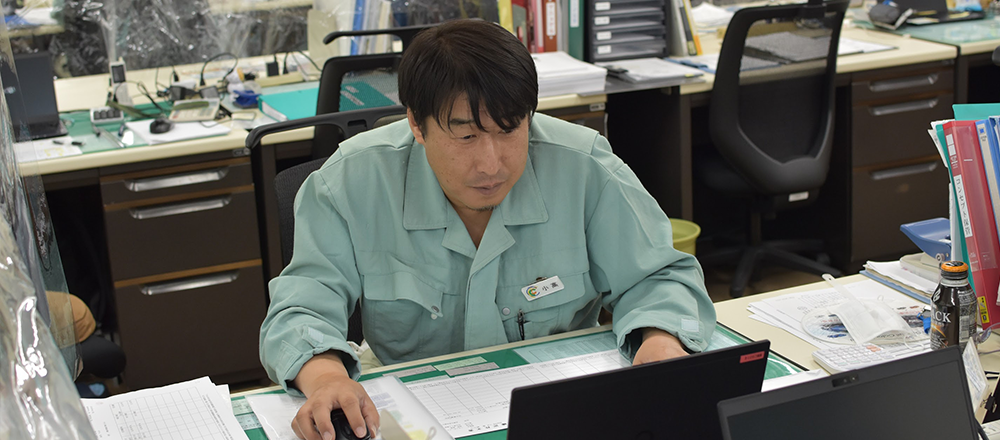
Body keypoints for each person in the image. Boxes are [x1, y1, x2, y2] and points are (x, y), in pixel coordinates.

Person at [260, 19, 716, 440]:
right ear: (416, 123)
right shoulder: (349, 183)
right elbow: (301, 308)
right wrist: (327, 378)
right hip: (412, 412)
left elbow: (660, 278)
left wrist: (661, 342)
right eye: (466, 136)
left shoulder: (585, 168)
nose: (491, 164)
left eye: (510, 130)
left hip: (559, 402)